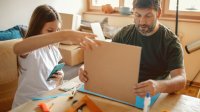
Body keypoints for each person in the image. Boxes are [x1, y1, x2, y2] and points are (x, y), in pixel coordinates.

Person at [78, 0, 186, 98]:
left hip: (153, 94)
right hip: (125, 89)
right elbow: (106, 58)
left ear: (158, 13)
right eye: (137, 15)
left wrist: (158, 86)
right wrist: (87, 67)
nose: (142, 22)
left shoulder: (171, 42)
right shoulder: (125, 33)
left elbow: (181, 80)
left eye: (148, 16)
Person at [12, 4, 98, 108]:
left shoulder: (53, 50)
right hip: (27, 105)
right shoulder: (30, 50)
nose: (54, 35)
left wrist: (59, 79)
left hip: (47, 101)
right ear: (37, 28)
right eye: (49, 31)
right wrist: (64, 35)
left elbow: (52, 84)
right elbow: (17, 48)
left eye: (57, 30)